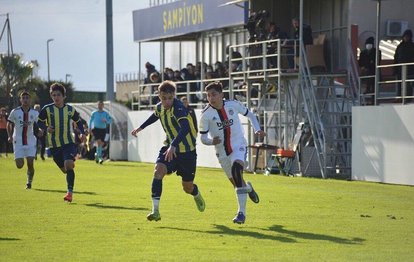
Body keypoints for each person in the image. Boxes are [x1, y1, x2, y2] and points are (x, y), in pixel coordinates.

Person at [131, 80, 205, 221]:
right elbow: (155, 115)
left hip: (187, 152)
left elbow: (185, 128)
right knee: (158, 172)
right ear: (159, 96)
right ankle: (155, 211)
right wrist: (140, 128)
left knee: (187, 187)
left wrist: (174, 145)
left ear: (174, 96)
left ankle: (196, 194)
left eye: (170, 98)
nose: (167, 101)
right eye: (164, 98)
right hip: (170, 148)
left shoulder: (178, 108)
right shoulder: (159, 107)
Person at [199, 82, 266, 224]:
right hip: (222, 153)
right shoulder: (205, 115)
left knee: (237, 171)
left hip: (238, 146)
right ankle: (248, 188)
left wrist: (257, 129)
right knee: (237, 183)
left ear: (221, 94)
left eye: (214, 94)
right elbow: (203, 138)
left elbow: (251, 116)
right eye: (208, 95)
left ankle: (241, 214)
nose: (211, 98)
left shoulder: (233, 104)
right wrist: (211, 141)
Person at [37, 83, 86, 202]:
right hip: (54, 145)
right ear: (51, 96)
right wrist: (46, 128)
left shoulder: (69, 109)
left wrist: (82, 133)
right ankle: (69, 163)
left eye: (58, 95)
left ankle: (69, 193)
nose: (56, 97)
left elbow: (78, 121)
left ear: (63, 96)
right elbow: (39, 122)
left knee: (68, 165)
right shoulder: (47, 109)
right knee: (65, 169)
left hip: (68, 143)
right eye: (53, 95)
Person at [6, 91, 42, 189]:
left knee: (30, 163)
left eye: (27, 98)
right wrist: (9, 135)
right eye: (23, 98)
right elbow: (9, 123)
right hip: (17, 141)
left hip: (30, 140)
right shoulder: (15, 111)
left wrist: (39, 131)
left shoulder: (34, 113)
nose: (25, 99)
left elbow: (39, 125)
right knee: (19, 165)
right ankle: (22, 162)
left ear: (30, 100)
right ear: (20, 100)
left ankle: (29, 182)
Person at [394, 29, 414, 99]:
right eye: (405, 36)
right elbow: (396, 57)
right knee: (400, 84)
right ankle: (399, 97)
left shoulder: (412, 46)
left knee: (408, 84)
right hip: (400, 69)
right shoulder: (400, 46)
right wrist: (395, 69)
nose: (406, 38)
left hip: (410, 69)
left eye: (407, 37)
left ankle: (408, 97)